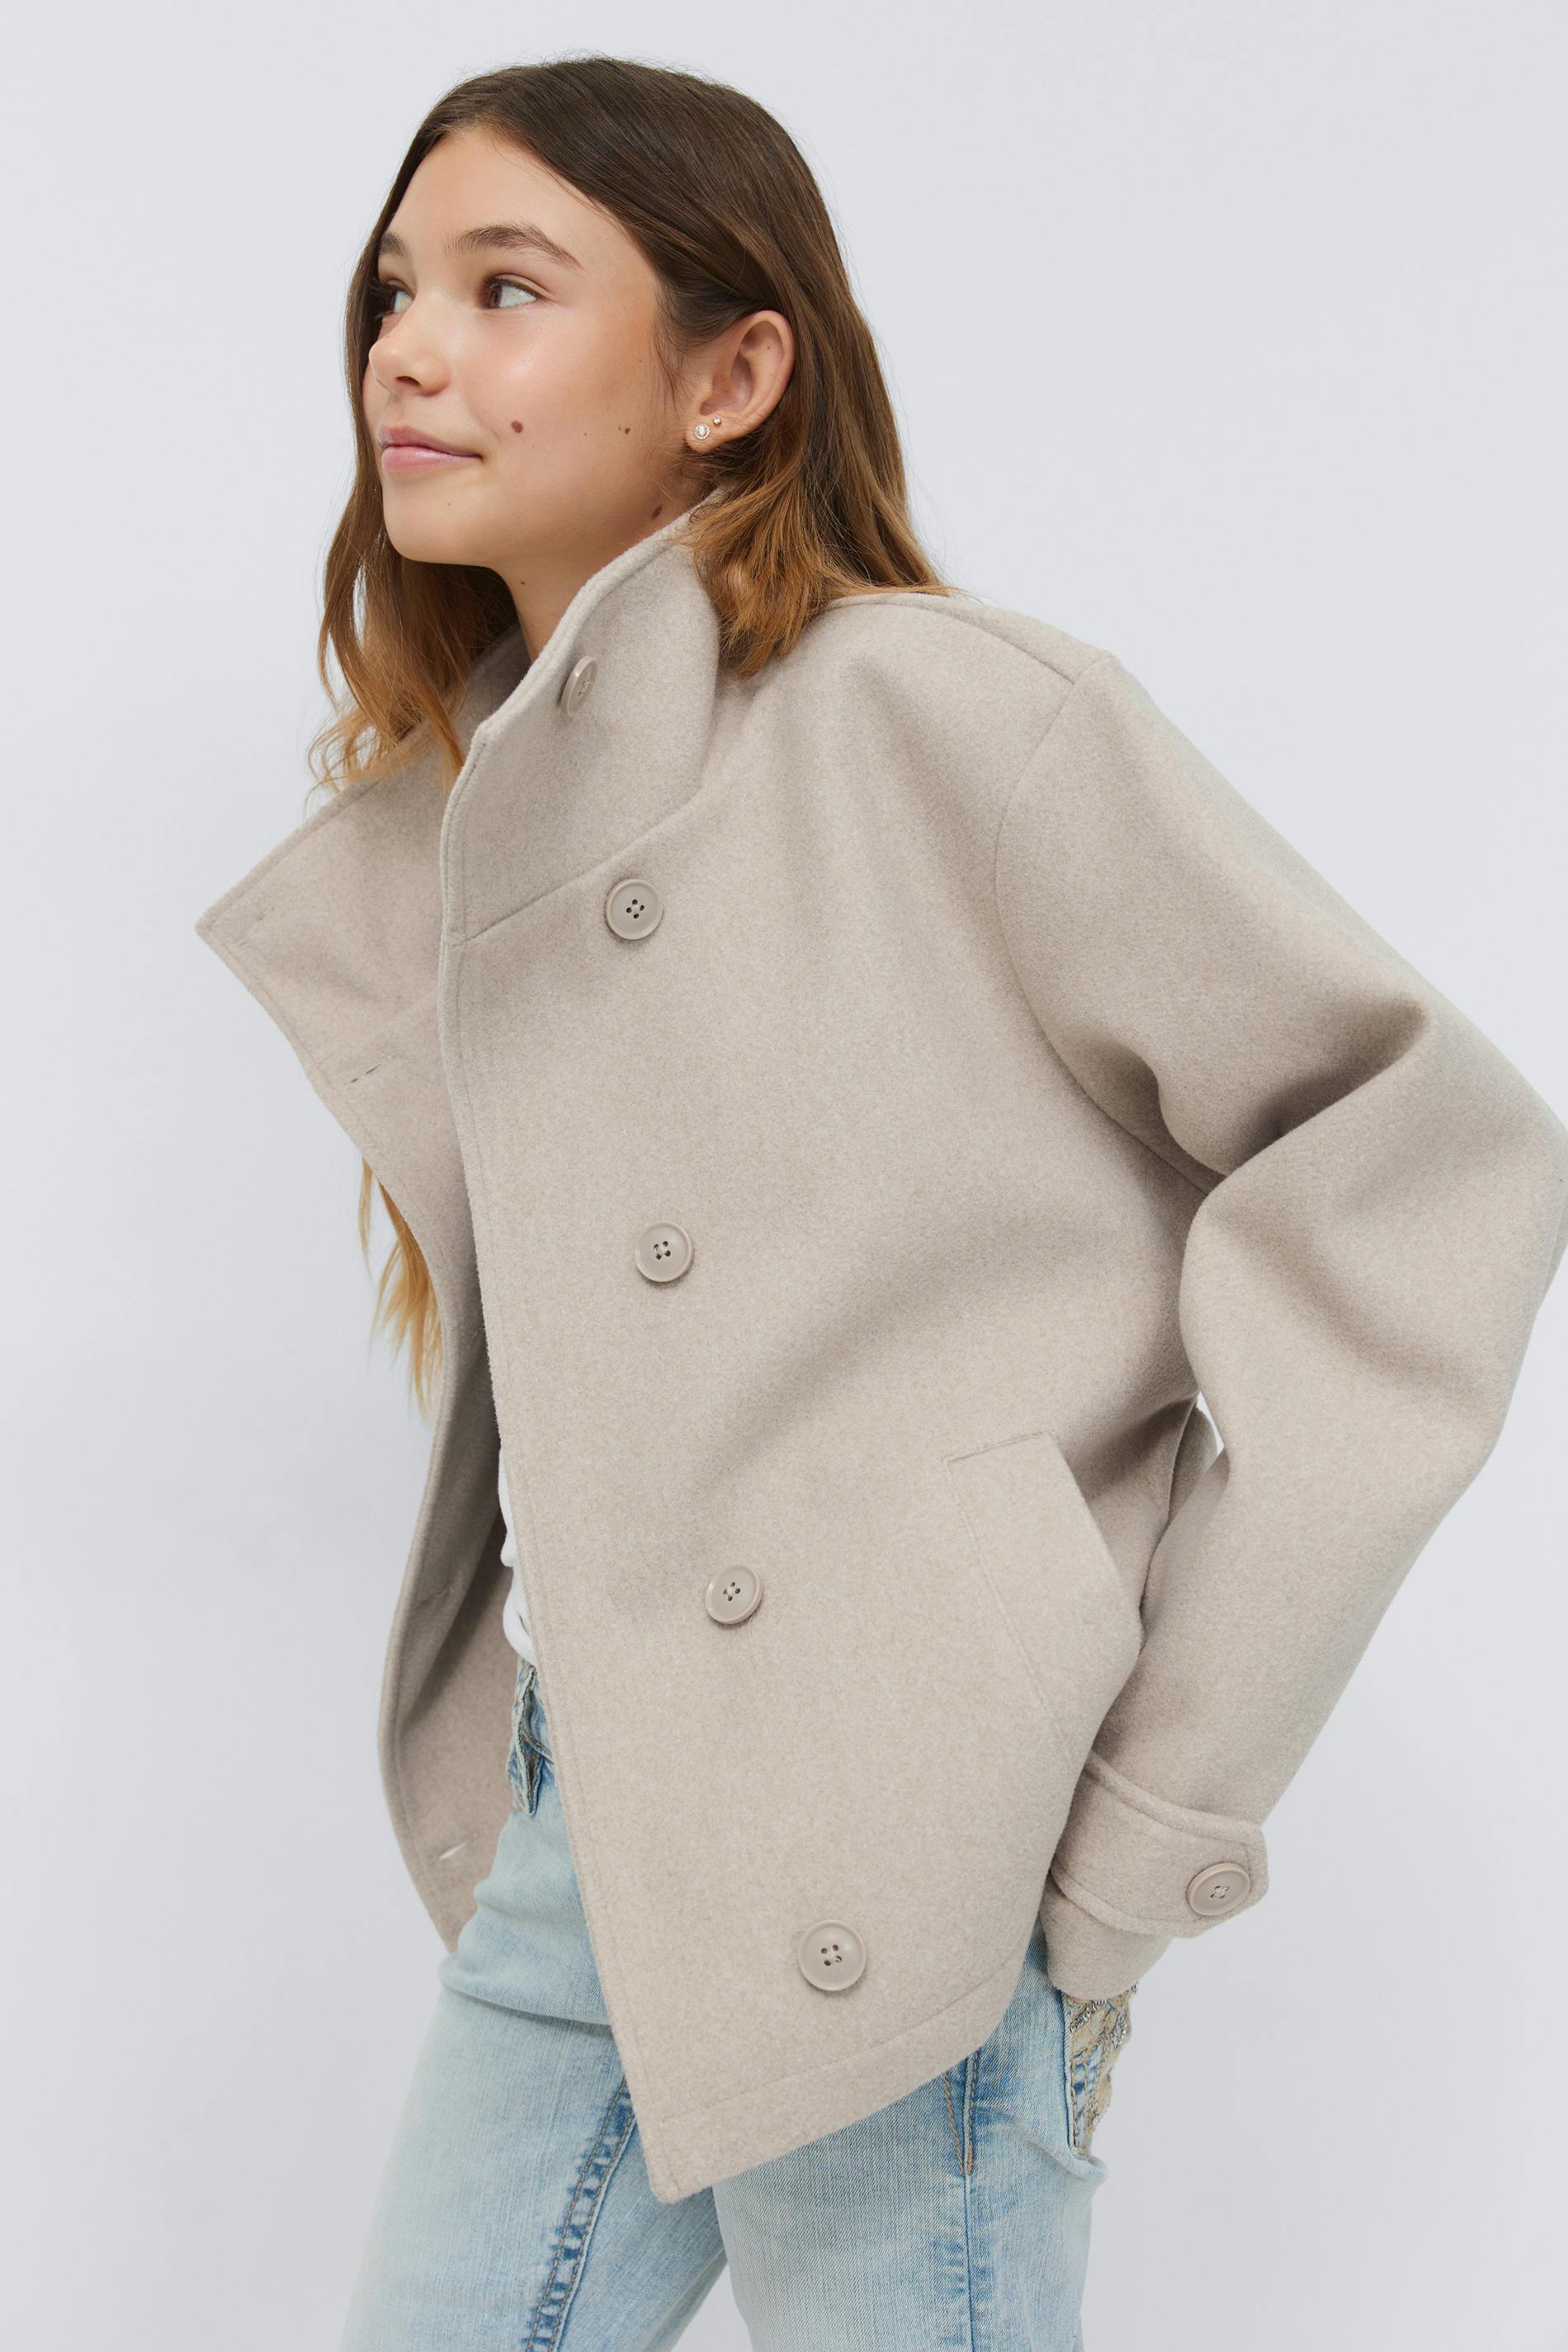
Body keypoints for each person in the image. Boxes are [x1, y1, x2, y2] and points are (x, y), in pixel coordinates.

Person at [191, 54, 1568, 2352]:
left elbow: (1424, 1160)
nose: (407, 353)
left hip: (919, 1838)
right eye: (391, 292)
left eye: (505, 289)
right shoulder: (477, 813)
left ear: (732, 375)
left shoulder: (953, 719)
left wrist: (1138, 1817)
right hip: (596, 1825)